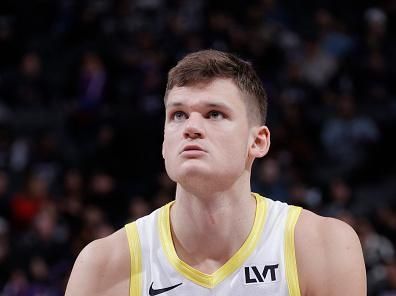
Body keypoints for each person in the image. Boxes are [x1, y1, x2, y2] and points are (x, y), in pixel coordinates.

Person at [65, 50, 366, 295]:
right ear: (164, 142)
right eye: (178, 115)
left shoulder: (324, 247)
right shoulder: (103, 266)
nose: (191, 128)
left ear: (258, 141)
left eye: (214, 114)